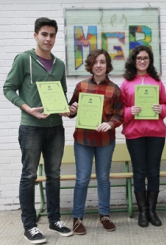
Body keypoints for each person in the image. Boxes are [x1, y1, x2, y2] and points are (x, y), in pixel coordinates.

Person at [3, 17, 73, 244]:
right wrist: (27, 109)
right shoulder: (24, 59)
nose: (48, 39)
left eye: (52, 35)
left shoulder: (60, 64)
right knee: (29, 176)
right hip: (31, 128)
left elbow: (61, 94)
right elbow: (8, 88)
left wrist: (67, 109)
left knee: (54, 175)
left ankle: (55, 220)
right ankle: (30, 226)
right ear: (35, 35)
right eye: (44, 34)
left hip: (56, 129)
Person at [68, 49, 123, 235]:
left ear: (107, 65)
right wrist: (72, 108)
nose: (99, 65)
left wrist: (110, 124)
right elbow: (70, 111)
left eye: (102, 62)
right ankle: (77, 218)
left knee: (103, 178)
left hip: (105, 141)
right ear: (91, 65)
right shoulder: (81, 86)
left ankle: (104, 215)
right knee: (82, 179)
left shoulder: (115, 89)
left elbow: (120, 114)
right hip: (83, 140)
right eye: (95, 62)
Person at [120, 45, 166, 228]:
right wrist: (130, 111)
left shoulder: (157, 81)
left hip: (156, 133)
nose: (142, 61)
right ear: (134, 60)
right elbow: (120, 111)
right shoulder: (126, 83)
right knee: (139, 172)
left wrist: (160, 109)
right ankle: (142, 212)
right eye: (139, 58)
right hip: (135, 134)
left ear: (150, 60)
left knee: (154, 172)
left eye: (145, 58)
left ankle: (152, 211)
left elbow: (165, 105)